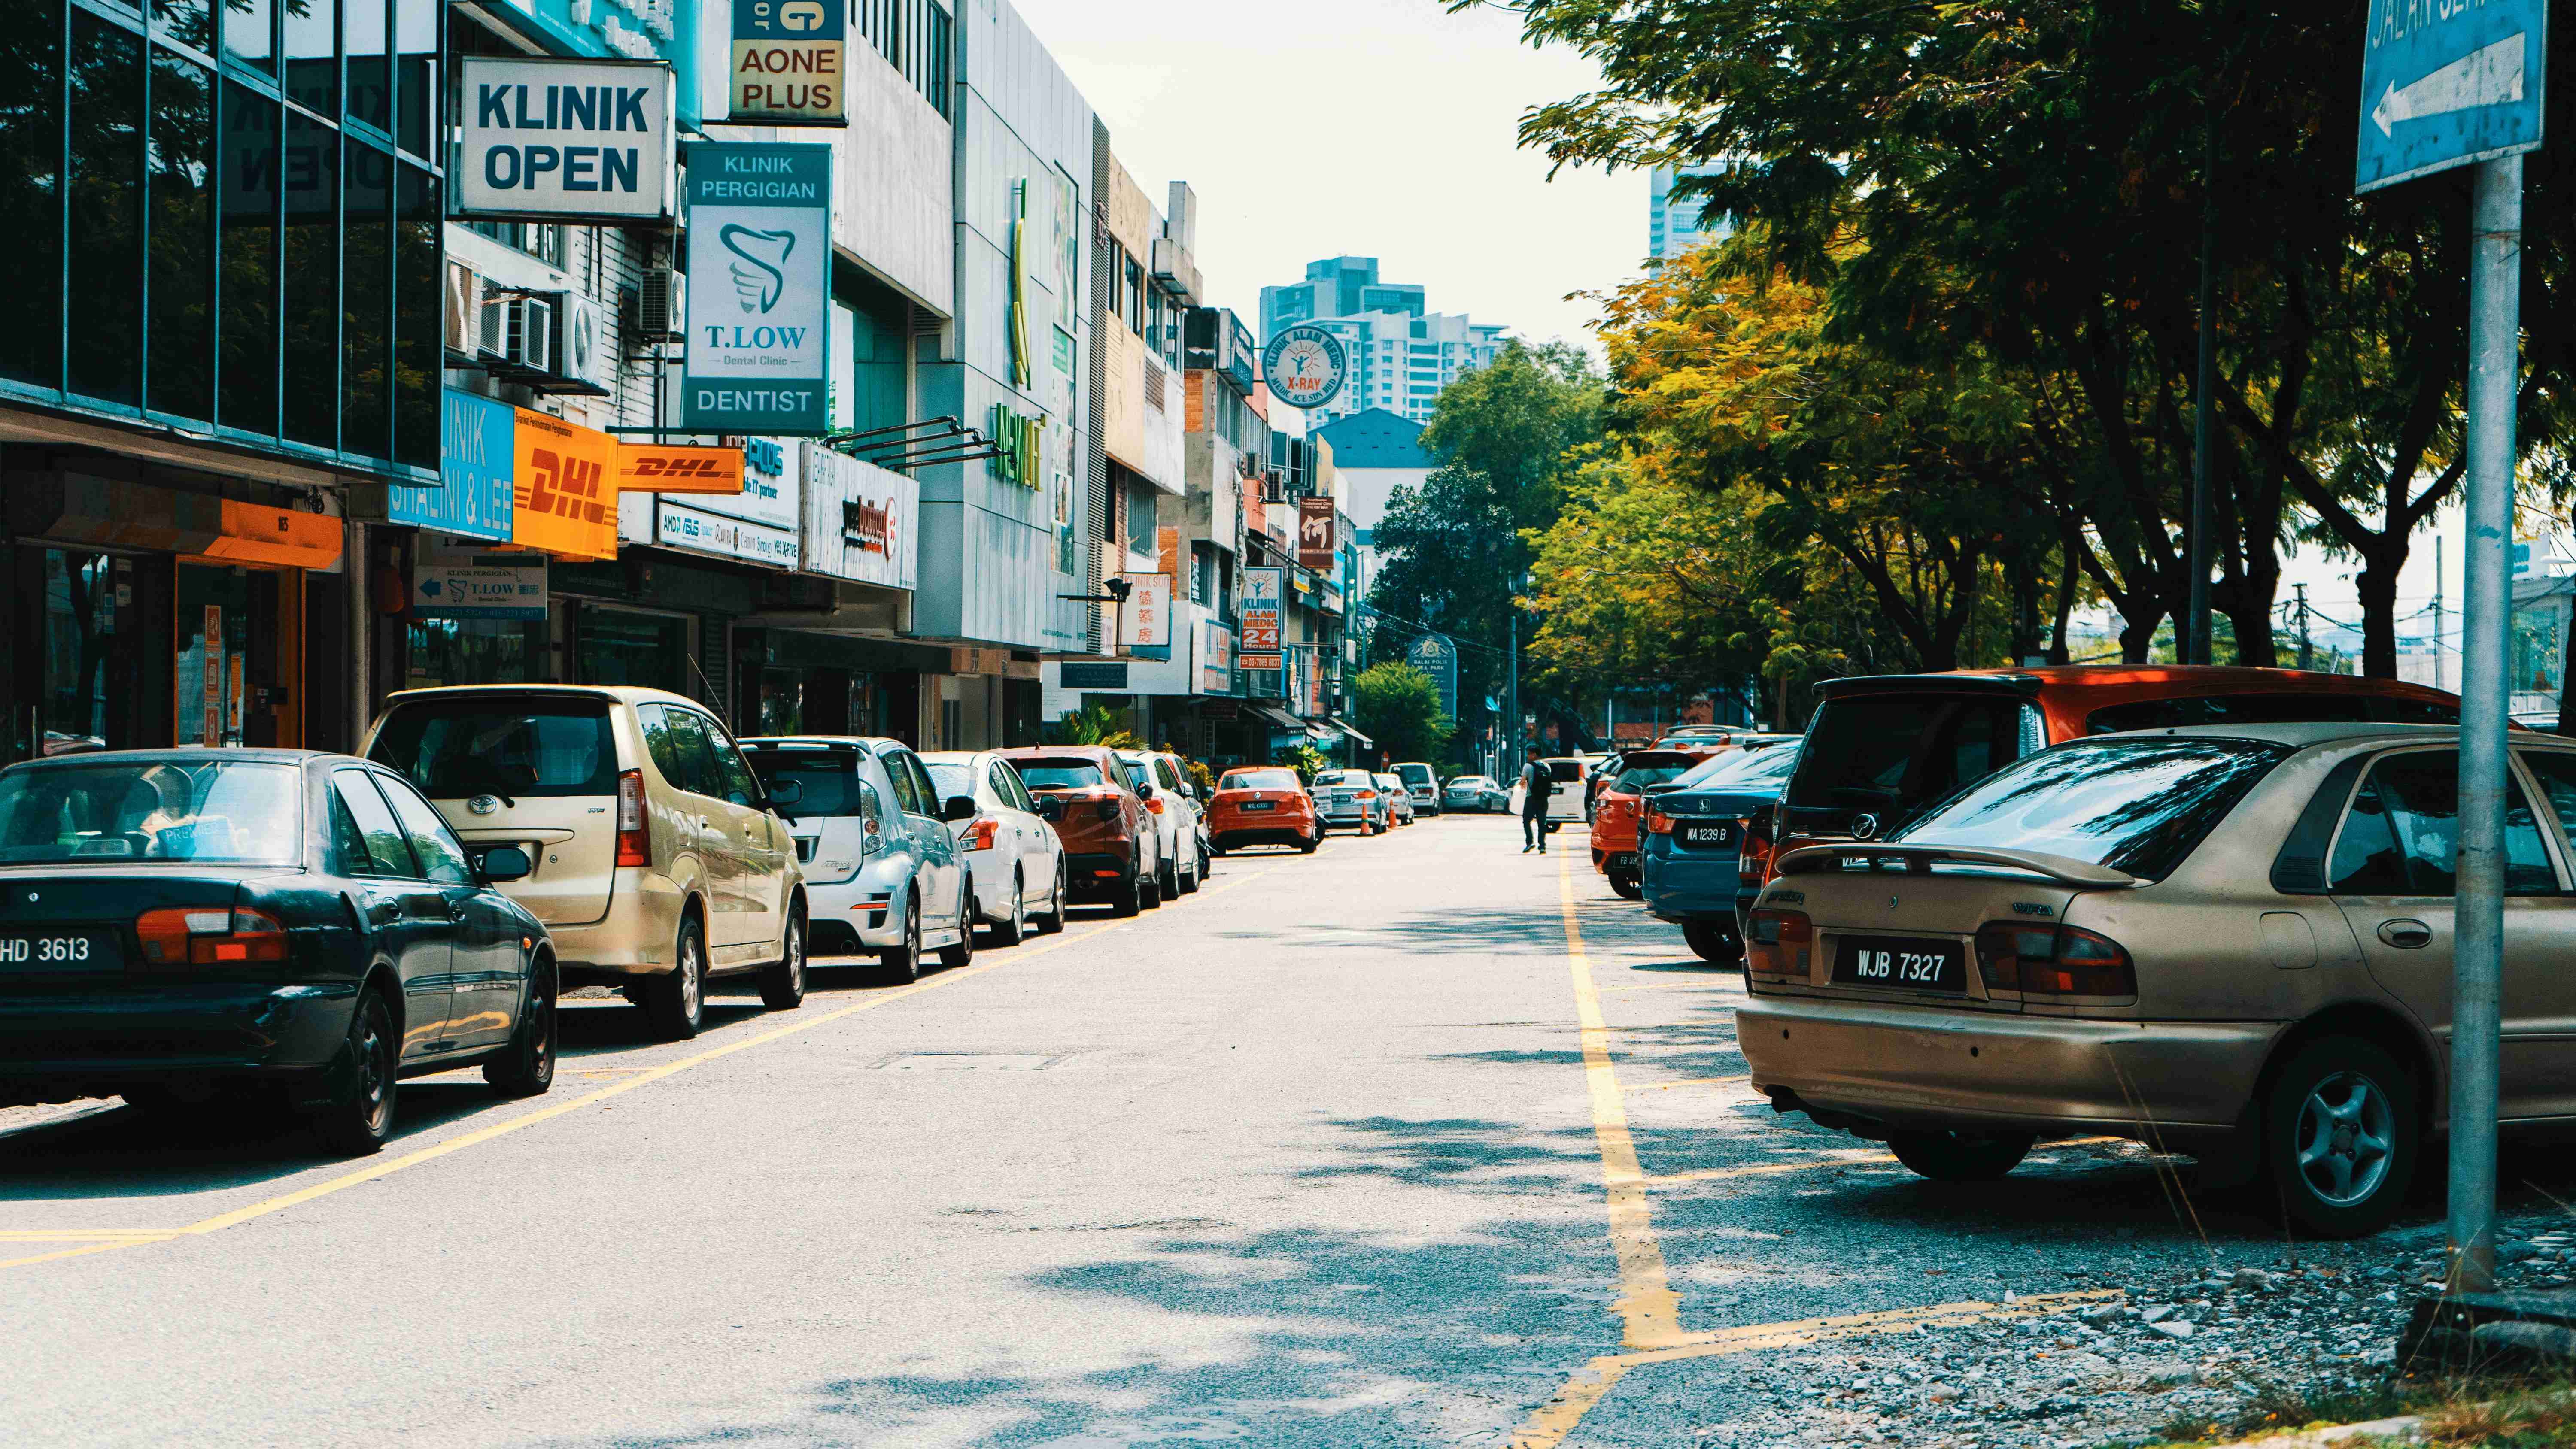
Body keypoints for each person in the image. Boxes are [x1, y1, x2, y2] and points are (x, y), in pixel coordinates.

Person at [1520, 751, 1554, 853]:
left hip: (1531, 798)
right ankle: (1542, 846)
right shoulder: (1547, 766)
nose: (1527, 756)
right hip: (1544, 798)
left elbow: (1522, 782)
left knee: (1526, 820)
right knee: (1542, 823)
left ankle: (1530, 842)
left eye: (1529, 754)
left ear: (1534, 755)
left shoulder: (1528, 766)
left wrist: (1522, 783)